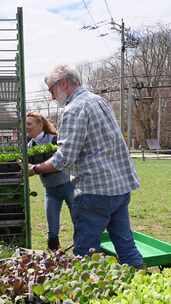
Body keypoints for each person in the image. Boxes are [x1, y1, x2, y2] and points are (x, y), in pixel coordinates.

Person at [28, 65, 143, 268]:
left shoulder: (73, 109)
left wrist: (35, 169)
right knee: (126, 246)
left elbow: (64, 159)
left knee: (84, 252)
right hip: (120, 188)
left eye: (51, 90)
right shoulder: (99, 101)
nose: (52, 97)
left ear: (63, 83)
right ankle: (140, 290)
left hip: (94, 192)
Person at [26, 112, 74, 251]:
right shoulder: (29, 146)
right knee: (52, 230)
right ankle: (54, 257)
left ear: (40, 124)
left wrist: (36, 168)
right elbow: (29, 169)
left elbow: (62, 162)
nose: (26, 127)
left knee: (79, 221)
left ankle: (84, 251)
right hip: (50, 191)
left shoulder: (55, 140)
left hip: (69, 187)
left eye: (29, 124)